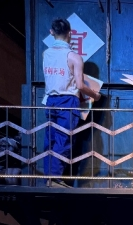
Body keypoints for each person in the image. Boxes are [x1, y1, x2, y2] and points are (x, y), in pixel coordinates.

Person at [42, 18, 101, 188]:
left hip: (50, 100)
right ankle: (54, 179)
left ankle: (48, 178)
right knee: (64, 139)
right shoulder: (74, 57)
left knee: (50, 139)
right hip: (68, 101)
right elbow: (80, 85)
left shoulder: (46, 54)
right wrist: (95, 96)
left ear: (51, 32)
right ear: (70, 34)